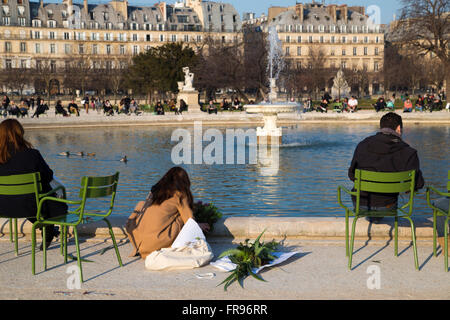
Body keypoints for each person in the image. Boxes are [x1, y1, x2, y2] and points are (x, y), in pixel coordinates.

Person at [0, 119, 68, 249]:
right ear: (20, 133)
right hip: (31, 206)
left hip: (3, 207)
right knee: (41, 191)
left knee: (24, 196)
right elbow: (48, 176)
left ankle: (47, 228)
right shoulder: (32, 154)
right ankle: (47, 227)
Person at [348, 112, 425, 223]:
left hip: (361, 204)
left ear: (381, 127)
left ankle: (374, 218)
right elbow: (418, 184)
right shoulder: (408, 152)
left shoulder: (362, 145)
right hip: (388, 206)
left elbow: (352, 175)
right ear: (398, 128)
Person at [125, 167, 210, 259]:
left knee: (142, 205)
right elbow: (189, 220)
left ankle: (146, 247)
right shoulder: (179, 194)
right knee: (180, 216)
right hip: (155, 243)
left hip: (138, 243)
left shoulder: (154, 191)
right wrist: (198, 225)